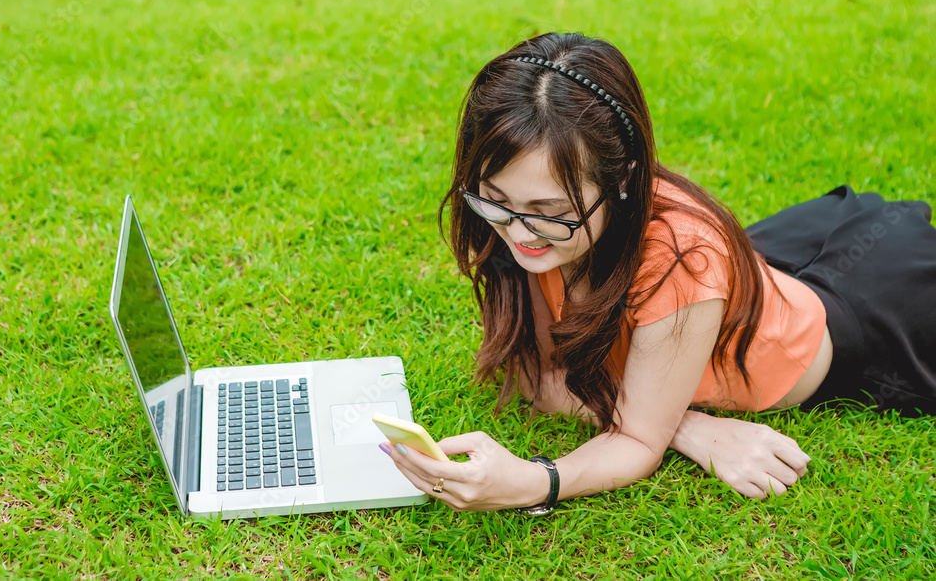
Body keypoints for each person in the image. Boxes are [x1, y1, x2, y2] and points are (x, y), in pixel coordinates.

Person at [380, 32, 936, 512]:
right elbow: (541, 377)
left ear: (621, 179)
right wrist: (690, 427)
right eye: (495, 201)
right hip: (761, 279)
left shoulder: (680, 262)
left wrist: (533, 481)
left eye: (551, 214)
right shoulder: (521, 221)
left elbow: (633, 442)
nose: (519, 233)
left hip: (870, 325)